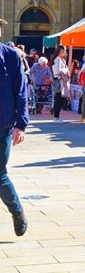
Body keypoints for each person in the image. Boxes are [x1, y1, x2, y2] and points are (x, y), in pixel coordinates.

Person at [0, 32, 29, 237]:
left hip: (2, 127)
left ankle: (16, 210)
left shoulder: (10, 56)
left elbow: (21, 92)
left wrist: (21, 124)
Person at [53, 47, 70, 122]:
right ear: (60, 52)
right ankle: (56, 117)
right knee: (58, 98)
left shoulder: (62, 60)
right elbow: (57, 71)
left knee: (60, 98)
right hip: (59, 80)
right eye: (64, 51)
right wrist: (65, 71)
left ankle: (57, 116)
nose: (65, 53)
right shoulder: (58, 59)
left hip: (62, 80)